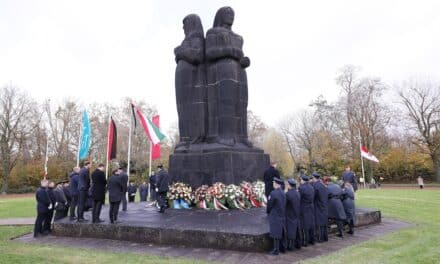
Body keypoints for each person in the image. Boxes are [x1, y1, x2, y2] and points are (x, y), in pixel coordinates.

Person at [267, 177, 286, 255]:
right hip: (281, 214)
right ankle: (281, 248)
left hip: (275, 215)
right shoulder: (283, 193)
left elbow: (269, 205)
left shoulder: (273, 193)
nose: (273, 185)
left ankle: (276, 250)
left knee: (275, 233)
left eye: (273, 183)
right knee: (280, 232)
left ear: (276, 184)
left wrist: (268, 212)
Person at [311, 172, 329, 243]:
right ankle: (325, 237)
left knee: (319, 223)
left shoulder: (315, 186)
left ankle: (320, 238)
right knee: (323, 222)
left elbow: (313, 197)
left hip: (318, 206)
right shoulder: (322, 185)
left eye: (312, 178)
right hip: (324, 205)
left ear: (314, 178)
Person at [285, 178, 301, 251]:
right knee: (296, 229)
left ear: (289, 185)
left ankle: (290, 246)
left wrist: (285, 191)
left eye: (287, 184)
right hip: (296, 213)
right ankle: (296, 244)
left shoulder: (288, 194)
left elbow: (284, 203)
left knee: (290, 230)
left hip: (289, 213)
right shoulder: (297, 193)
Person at [299, 175, 315, 246]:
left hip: (304, 207)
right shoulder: (311, 187)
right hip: (311, 207)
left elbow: (299, 198)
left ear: (303, 180)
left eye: (301, 180)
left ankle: (305, 241)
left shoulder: (301, 187)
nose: (300, 181)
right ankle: (312, 240)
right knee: (311, 223)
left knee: (304, 225)